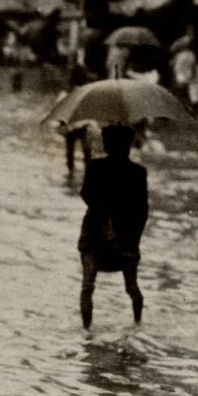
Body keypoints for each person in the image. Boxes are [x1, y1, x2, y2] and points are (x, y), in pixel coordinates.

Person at [77, 124, 148, 329]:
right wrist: (134, 240)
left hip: (94, 232)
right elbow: (142, 211)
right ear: (129, 146)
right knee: (132, 286)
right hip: (125, 237)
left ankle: (87, 331)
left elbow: (86, 195)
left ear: (106, 145)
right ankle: (137, 324)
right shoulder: (137, 172)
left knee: (88, 284)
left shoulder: (95, 166)